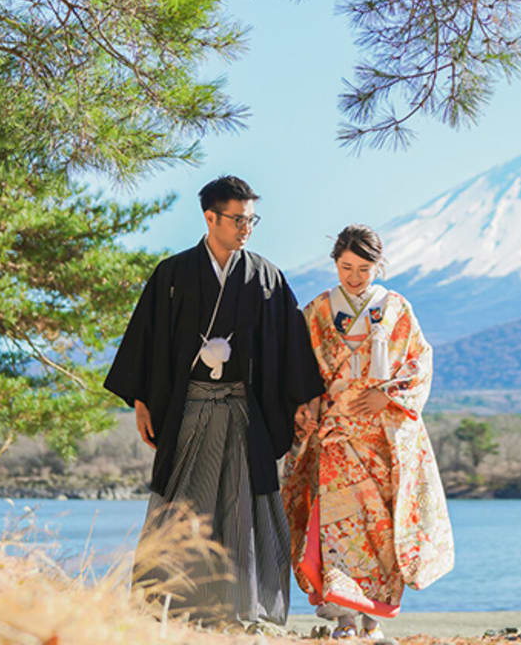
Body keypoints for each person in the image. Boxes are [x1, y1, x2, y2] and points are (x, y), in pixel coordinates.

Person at [103, 175, 324, 626]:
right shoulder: (172, 274)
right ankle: (167, 605)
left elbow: (290, 344)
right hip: (190, 410)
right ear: (210, 217)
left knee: (243, 506)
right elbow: (146, 340)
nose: (247, 228)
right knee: (182, 504)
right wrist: (141, 402)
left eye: (251, 220)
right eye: (238, 219)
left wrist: (304, 399)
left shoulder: (265, 276)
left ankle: (239, 607)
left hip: (244, 410)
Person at [281, 224, 454, 640]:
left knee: (381, 529)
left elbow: (419, 362)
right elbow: (298, 369)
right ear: (335, 264)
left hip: (381, 436)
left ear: (379, 265)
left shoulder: (397, 308)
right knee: (337, 527)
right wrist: (307, 408)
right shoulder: (318, 311)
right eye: (346, 267)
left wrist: (389, 397)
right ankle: (343, 618)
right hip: (336, 433)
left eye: (363, 268)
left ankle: (373, 620)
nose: (354, 277)